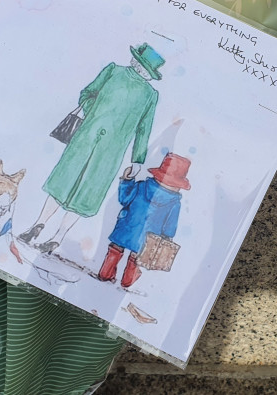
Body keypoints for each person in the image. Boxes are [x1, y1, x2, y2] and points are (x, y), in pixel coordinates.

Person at [17, 44, 164, 253]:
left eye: (146, 69)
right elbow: (87, 93)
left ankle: (57, 238)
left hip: (110, 152)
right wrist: (92, 114)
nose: (141, 71)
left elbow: (144, 128)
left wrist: (138, 160)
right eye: (142, 66)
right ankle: (38, 225)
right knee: (63, 181)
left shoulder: (150, 95)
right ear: (135, 61)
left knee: (87, 194)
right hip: (86, 138)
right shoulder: (113, 70)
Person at [97, 153, 190, 288]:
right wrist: (167, 237)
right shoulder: (174, 202)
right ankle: (127, 282)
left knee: (115, 249)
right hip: (149, 236)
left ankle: (105, 274)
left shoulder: (141, 186)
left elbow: (124, 199)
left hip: (127, 225)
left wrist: (127, 180)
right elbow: (170, 225)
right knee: (137, 257)